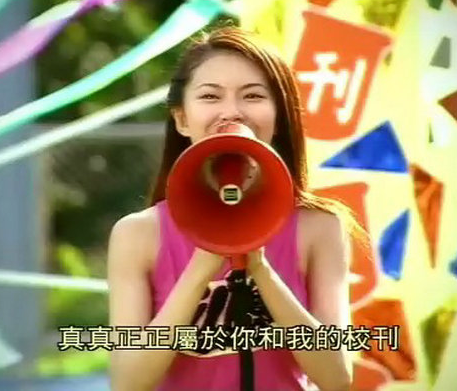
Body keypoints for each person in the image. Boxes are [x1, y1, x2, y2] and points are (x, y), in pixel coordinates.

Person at [108, 25, 357, 391]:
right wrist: (203, 263)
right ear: (181, 118)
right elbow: (128, 382)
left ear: (279, 116)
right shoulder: (138, 234)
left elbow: (337, 377)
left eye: (253, 96)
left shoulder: (319, 226)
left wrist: (260, 270)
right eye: (210, 96)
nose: (232, 113)